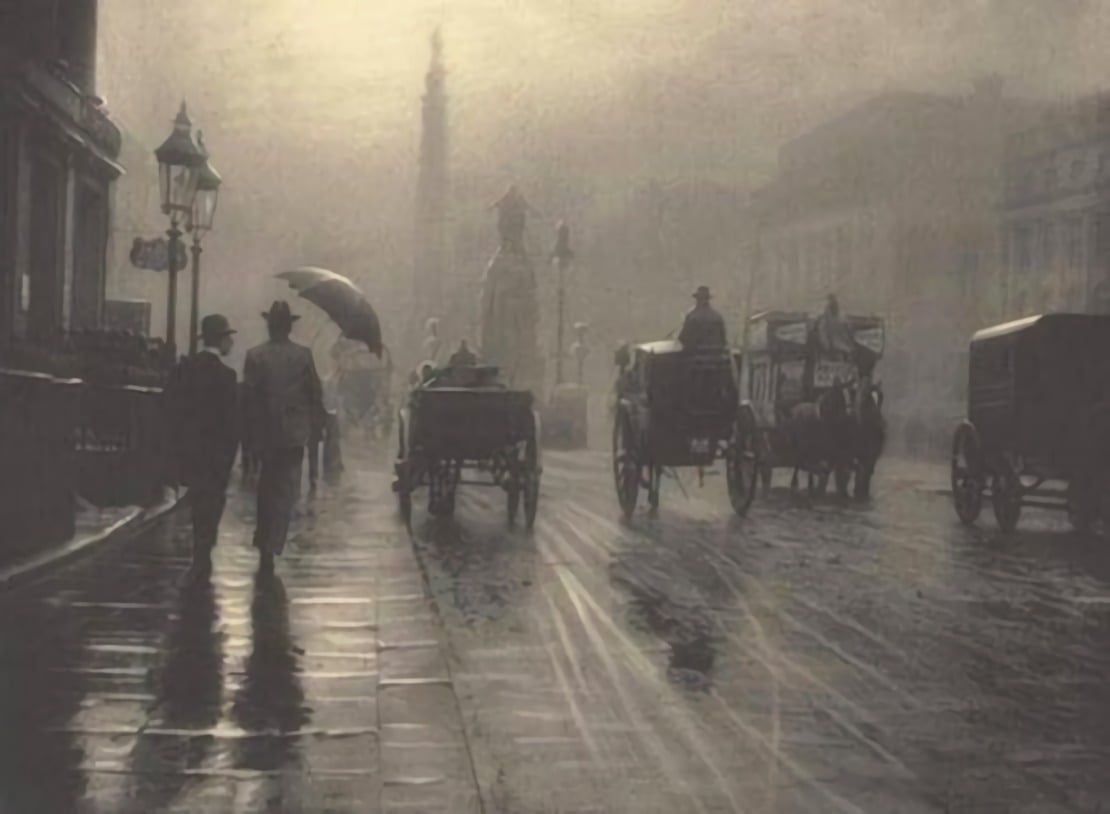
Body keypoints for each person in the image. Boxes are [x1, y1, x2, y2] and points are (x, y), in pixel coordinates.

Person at [243, 301, 324, 574]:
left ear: (269, 325)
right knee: (286, 492)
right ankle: (274, 542)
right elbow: (315, 395)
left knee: (266, 489)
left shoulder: (255, 356)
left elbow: (249, 400)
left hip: (265, 435)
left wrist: (248, 440)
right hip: (293, 436)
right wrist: (315, 429)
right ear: (289, 327)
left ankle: (264, 539)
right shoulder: (303, 356)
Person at [165, 314, 239, 579]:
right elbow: (231, 423)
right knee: (213, 501)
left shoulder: (185, 370)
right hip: (215, 453)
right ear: (221, 340)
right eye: (228, 338)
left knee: (197, 498)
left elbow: (171, 409)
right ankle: (204, 550)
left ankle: (200, 548)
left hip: (191, 449)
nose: (231, 343)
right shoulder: (227, 376)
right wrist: (229, 457)